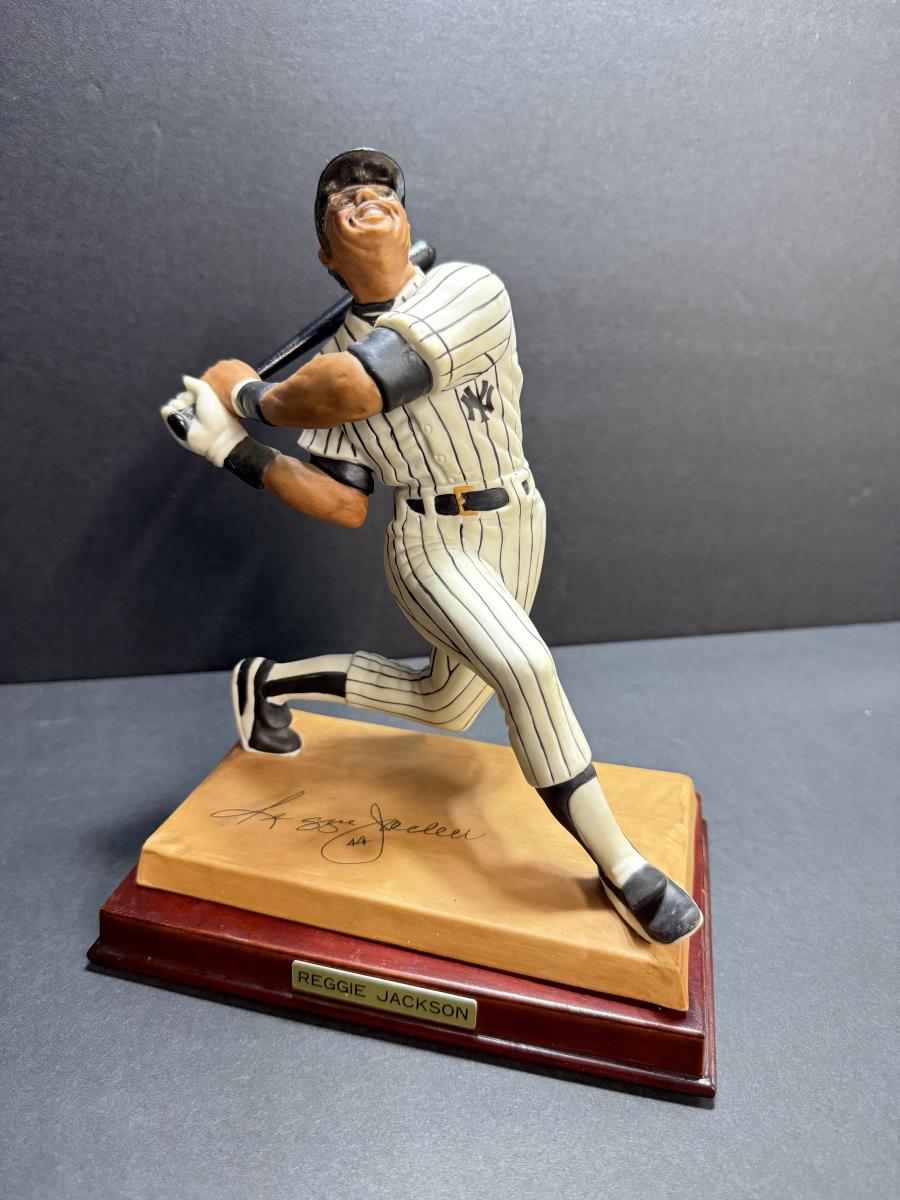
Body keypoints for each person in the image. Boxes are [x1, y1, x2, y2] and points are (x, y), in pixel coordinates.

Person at [161, 148, 702, 946]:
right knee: (526, 668)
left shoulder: (467, 288)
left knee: (447, 702)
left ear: (406, 220)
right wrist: (227, 449)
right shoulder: (323, 367)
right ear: (327, 254)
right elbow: (343, 503)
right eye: (341, 197)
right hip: (430, 540)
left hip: (518, 519)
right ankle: (622, 865)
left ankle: (267, 681)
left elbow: (365, 381)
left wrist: (247, 396)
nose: (363, 196)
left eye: (380, 189)